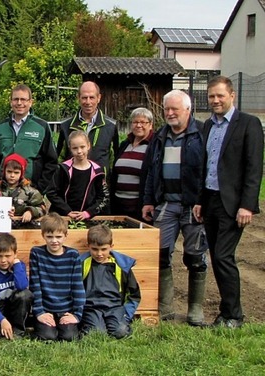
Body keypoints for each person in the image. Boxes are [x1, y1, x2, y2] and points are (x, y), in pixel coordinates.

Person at [193, 76, 264, 328]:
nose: (215, 100)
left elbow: (254, 168)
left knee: (223, 256)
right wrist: (200, 200)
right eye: (211, 96)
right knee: (216, 255)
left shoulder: (248, 124)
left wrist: (247, 204)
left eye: (220, 95)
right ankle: (225, 313)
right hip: (210, 199)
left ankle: (234, 315)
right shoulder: (208, 126)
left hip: (233, 203)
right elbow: (205, 167)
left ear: (232, 95)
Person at [141, 90, 207, 326]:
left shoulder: (201, 134)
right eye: (166, 109)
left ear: (187, 110)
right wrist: (149, 200)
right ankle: (166, 307)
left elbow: (207, 172)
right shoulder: (160, 136)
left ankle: (195, 309)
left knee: (195, 256)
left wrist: (202, 200)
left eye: (174, 110)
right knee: (161, 254)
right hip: (166, 203)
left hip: (192, 205)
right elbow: (151, 171)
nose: (169, 113)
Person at [0, 84, 57, 193]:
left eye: (23, 99)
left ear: (30, 102)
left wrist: (40, 189)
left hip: (31, 189)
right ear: (10, 101)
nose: (19, 103)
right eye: (16, 99)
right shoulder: (1, 128)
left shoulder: (42, 127)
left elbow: (51, 161)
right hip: (4, 189)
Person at [29, 213, 85, 341]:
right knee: (48, 337)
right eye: (49, 237)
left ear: (65, 236)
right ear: (43, 235)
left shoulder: (73, 255)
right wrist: (39, 312)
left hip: (66, 309)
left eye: (58, 237)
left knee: (69, 337)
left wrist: (76, 315)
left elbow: (78, 286)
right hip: (46, 308)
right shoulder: (37, 253)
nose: (54, 241)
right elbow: (35, 285)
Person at [79, 225, 140, 338]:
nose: (99, 254)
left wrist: (127, 314)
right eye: (95, 249)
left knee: (121, 332)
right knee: (96, 333)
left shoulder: (122, 266)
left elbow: (134, 294)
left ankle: (119, 323)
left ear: (111, 247)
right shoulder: (82, 265)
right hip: (91, 308)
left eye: (104, 249)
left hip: (115, 308)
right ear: (88, 247)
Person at [57, 81, 119, 177]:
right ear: (78, 98)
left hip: (100, 185)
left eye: (92, 97)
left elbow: (114, 159)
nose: (88, 102)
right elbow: (59, 158)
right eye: (84, 98)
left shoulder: (110, 127)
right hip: (74, 183)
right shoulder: (66, 126)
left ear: (99, 98)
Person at [0, 233, 33, 340]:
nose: (3, 260)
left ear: (15, 253)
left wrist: (16, 266)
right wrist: (1, 319)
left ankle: (18, 330)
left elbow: (22, 286)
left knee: (25, 295)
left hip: (12, 305)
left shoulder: (19, 266)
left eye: (8, 256)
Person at [47, 131, 109, 221]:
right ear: (70, 149)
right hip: (62, 218)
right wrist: (66, 211)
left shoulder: (97, 171)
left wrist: (88, 213)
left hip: (87, 219)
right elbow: (51, 192)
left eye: (82, 147)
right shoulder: (63, 169)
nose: (79, 151)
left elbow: (103, 197)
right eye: (75, 148)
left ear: (88, 146)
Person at [110, 107, 154, 220]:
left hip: (139, 206)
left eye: (143, 122)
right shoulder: (125, 144)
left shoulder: (154, 146)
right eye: (135, 122)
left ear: (150, 125)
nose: (138, 125)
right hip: (119, 204)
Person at [0, 153, 46, 226]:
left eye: (16, 173)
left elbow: (42, 208)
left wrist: (30, 212)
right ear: (4, 171)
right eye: (9, 171)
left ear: (22, 173)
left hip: (22, 226)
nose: (12, 175)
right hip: (0, 226)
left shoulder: (29, 191)